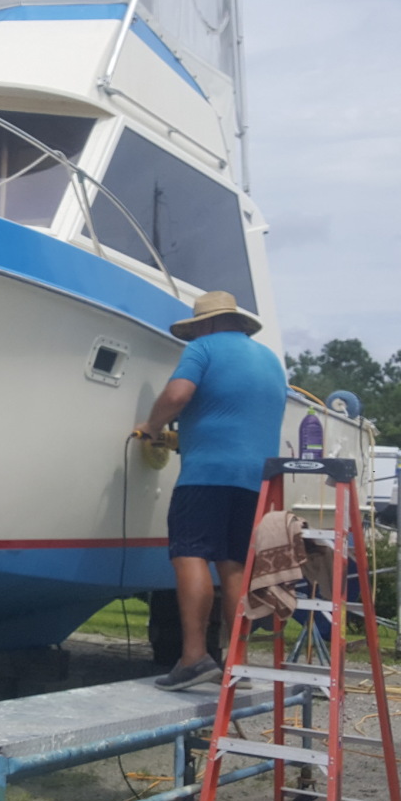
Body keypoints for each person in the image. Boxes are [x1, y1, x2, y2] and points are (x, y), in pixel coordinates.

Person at [133, 291, 286, 691]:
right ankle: (237, 662)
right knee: (232, 563)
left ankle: (193, 657)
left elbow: (178, 395)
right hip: (254, 479)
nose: (195, 333)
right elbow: (235, 422)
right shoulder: (269, 360)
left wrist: (151, 427)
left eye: (197, 326)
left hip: (207, 475)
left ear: (208, 324)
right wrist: (183, 438)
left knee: (190, 555)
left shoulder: (204, 348)